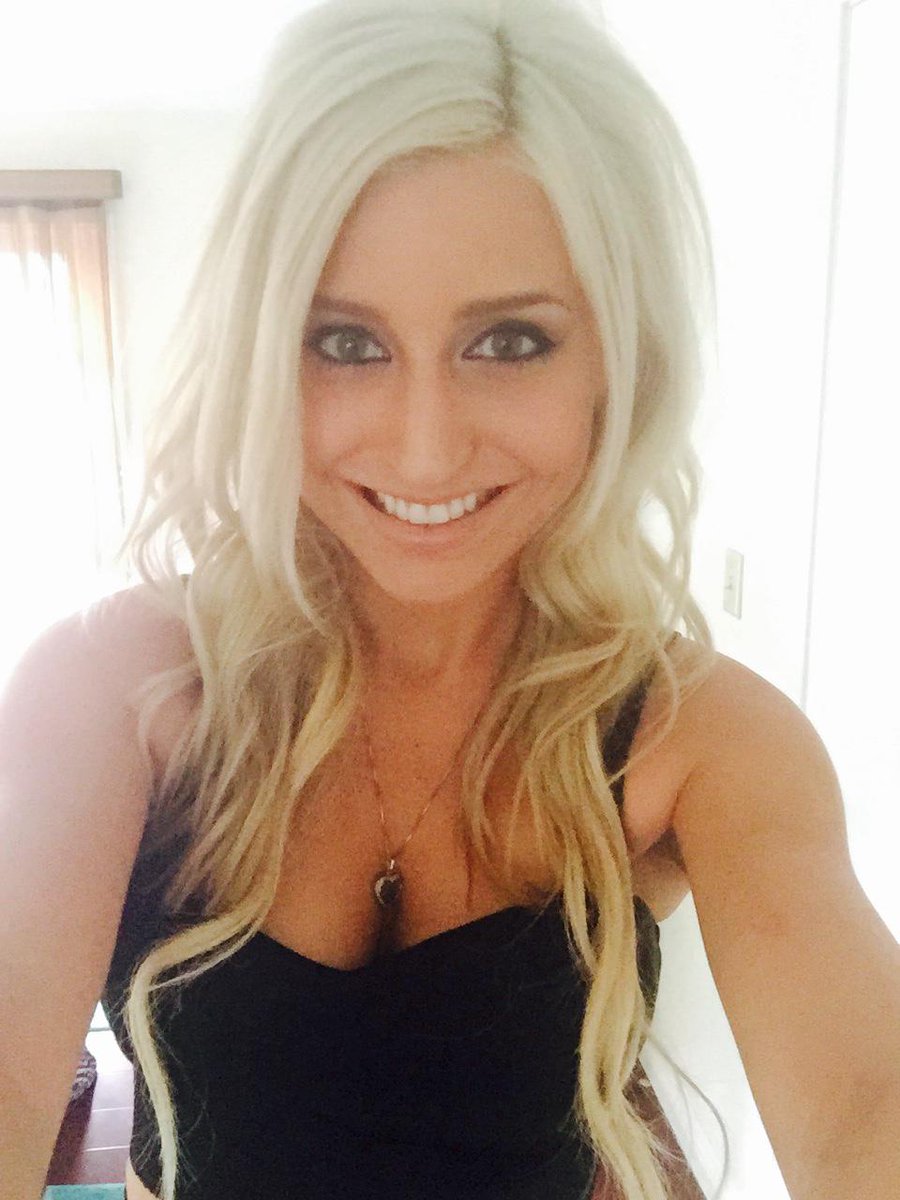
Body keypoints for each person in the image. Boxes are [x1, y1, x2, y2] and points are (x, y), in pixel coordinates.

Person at [3, 0, 898, 1198]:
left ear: (620, 361)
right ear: (260, 349)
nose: (424, 450)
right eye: (345, 343)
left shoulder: (705, 739)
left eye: (511, 342)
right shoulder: (115, 690)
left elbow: (861, 1113)